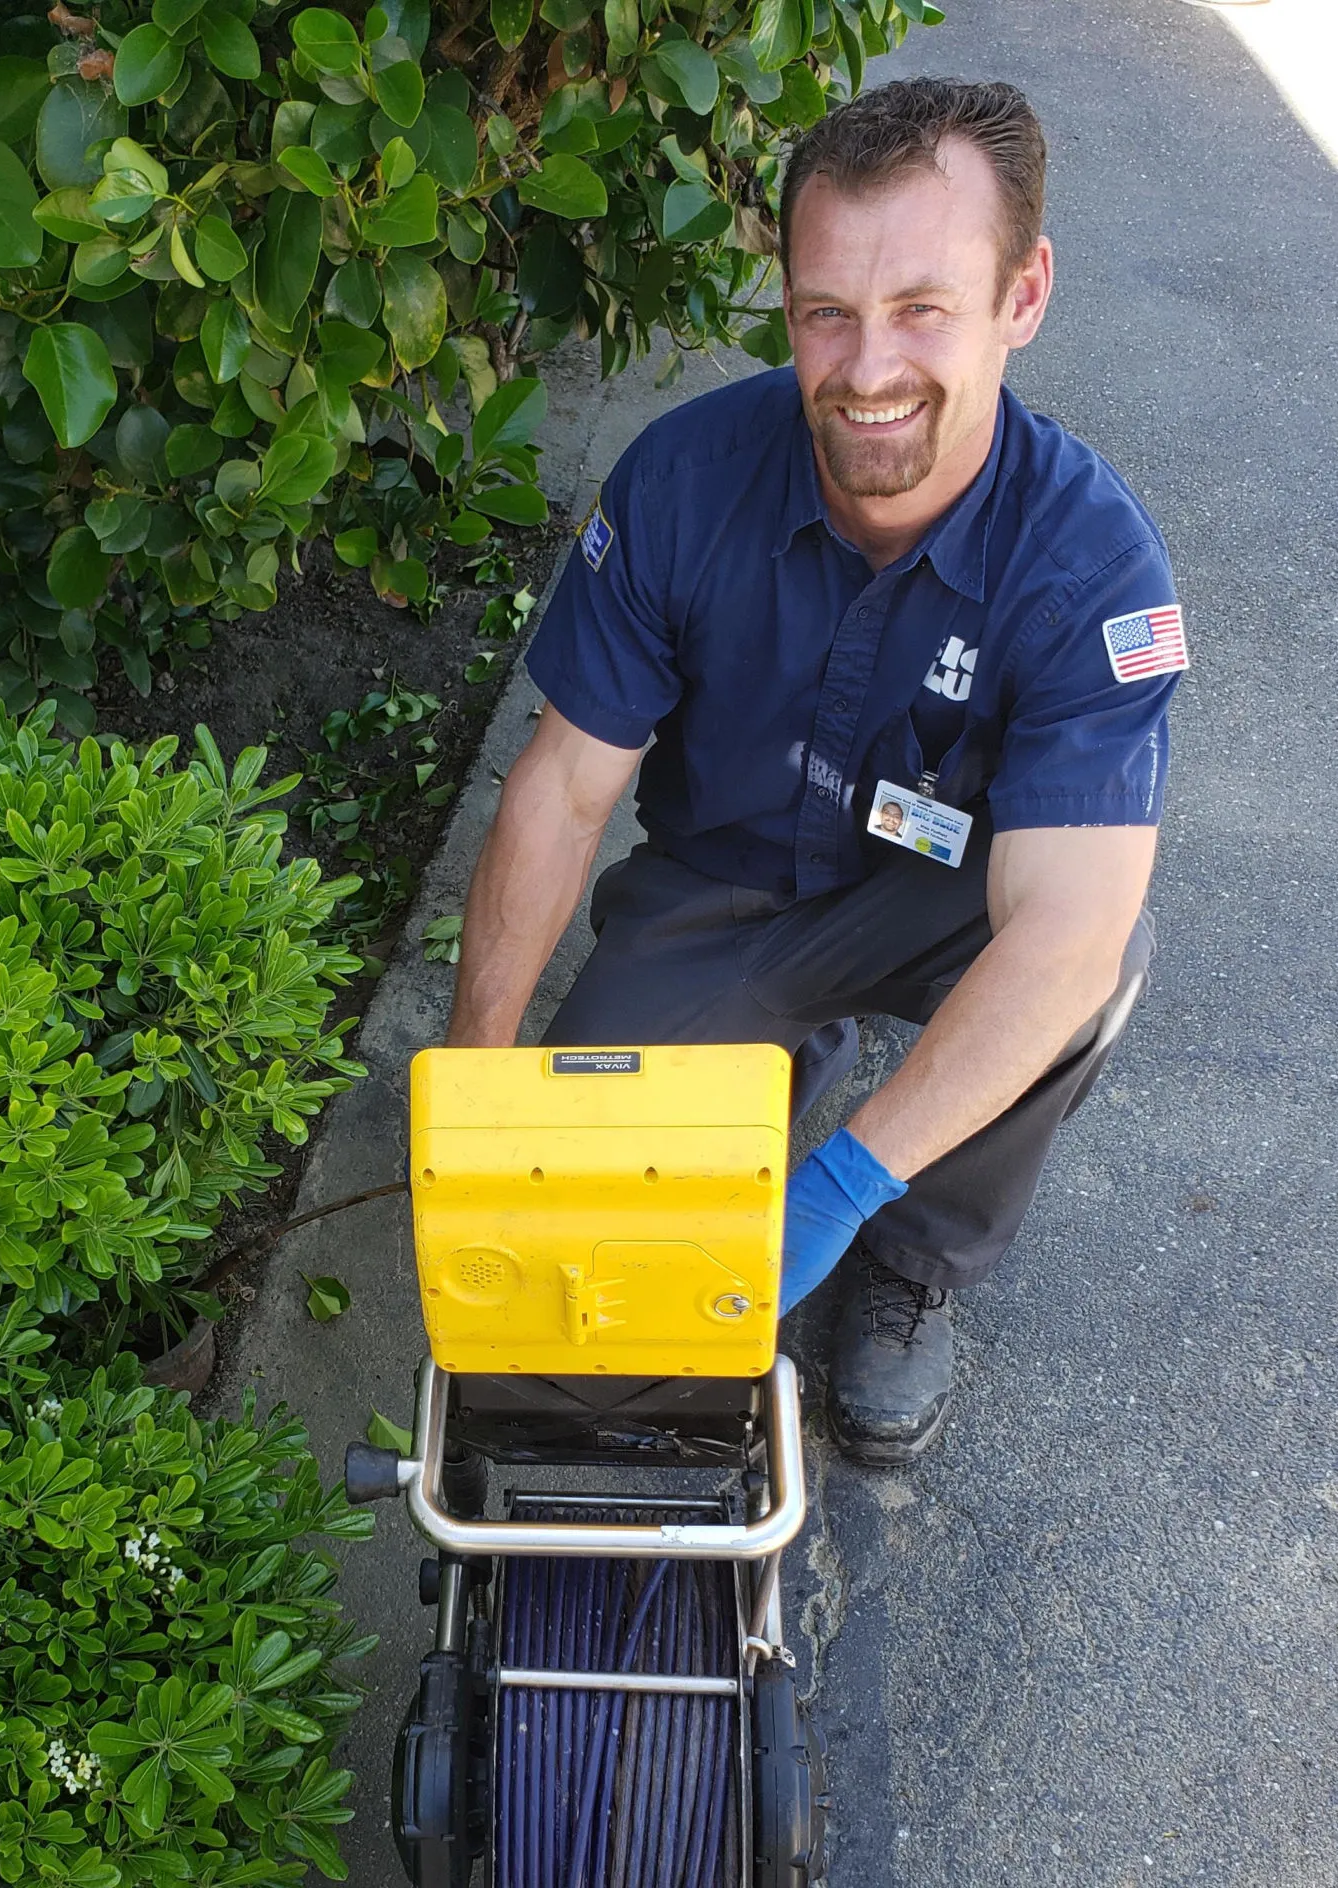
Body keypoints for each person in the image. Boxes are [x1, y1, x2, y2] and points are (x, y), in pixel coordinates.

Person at [444, 78, 1185, 1466]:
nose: (864, 369)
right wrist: (477, 1089)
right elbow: (559, 792)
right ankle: (767, 1057)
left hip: (932, 906)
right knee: (587, 1280)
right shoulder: (677, 481)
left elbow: (1069, 924)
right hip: (717, 894)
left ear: (1021, 296)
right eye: (825, 312)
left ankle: (913, 1256)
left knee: (1097, 964)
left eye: (921, 308)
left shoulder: (1091, 568)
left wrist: (837, 1188)